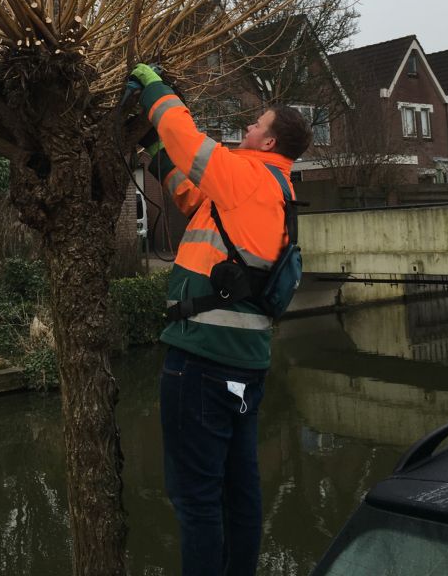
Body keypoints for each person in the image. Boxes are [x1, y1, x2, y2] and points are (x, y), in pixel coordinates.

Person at [128, 62, 313, 576]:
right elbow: (192, 194)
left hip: (203, 363)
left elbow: (191, 144)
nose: (248, 127)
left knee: (195, 498)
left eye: (257, 123)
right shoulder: (273, 191)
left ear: (270, 142)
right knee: (238, 491)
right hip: (244, 367)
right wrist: (154, 147)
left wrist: (154, 89)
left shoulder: (249, 175)